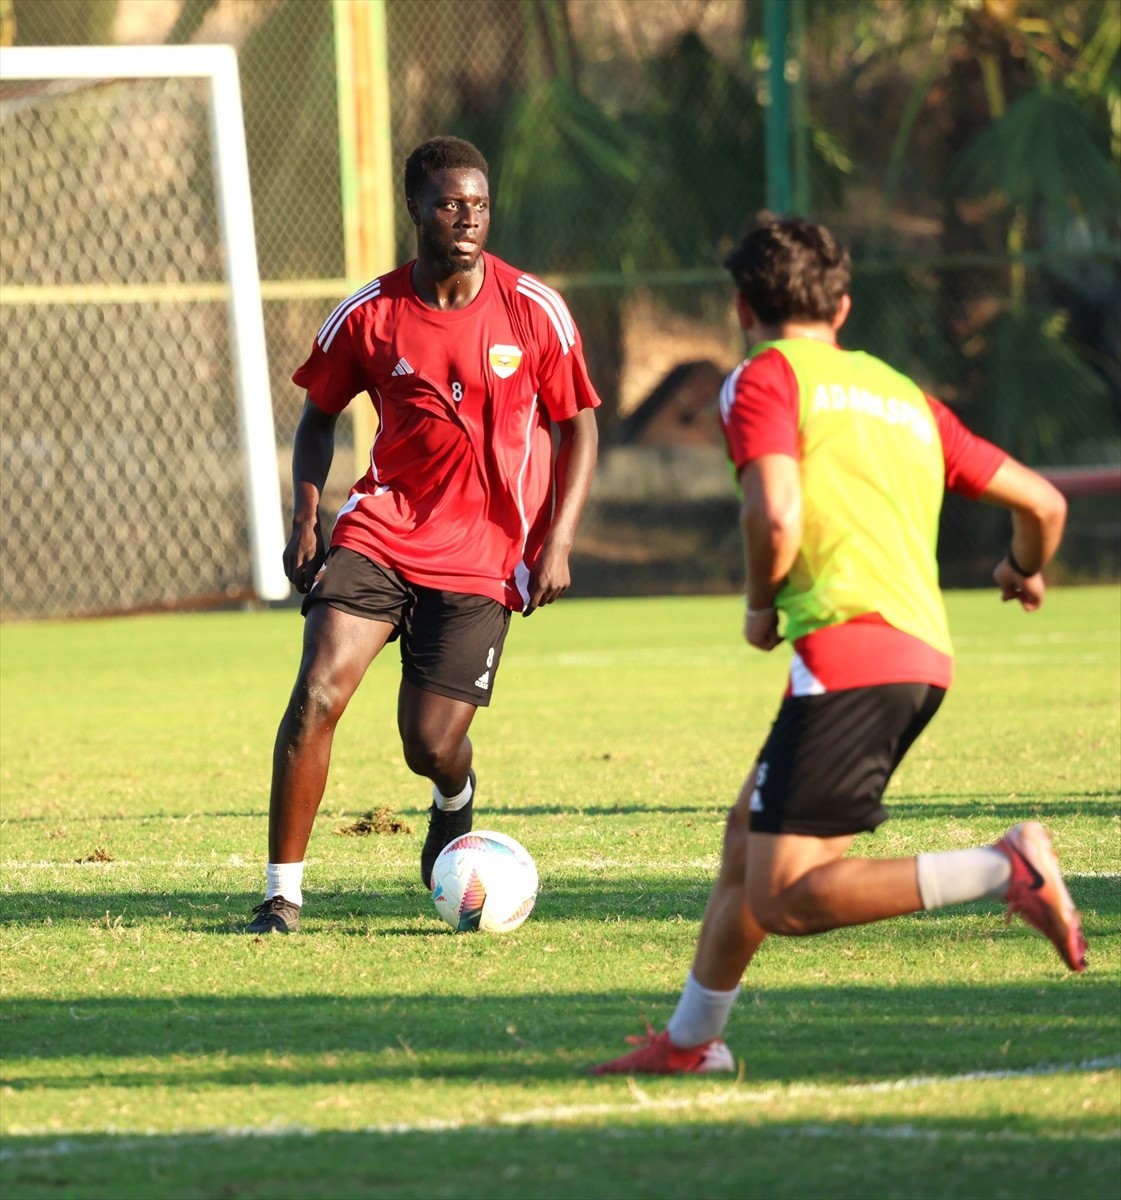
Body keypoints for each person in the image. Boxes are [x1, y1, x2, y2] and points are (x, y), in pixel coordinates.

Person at [591, 213, 1084, 1074]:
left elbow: (773, 512)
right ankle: (689, 1042)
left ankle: (1000, 868)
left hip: (850, 653)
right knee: (746, 839)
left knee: (784, 898)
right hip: (915, 652)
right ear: (843, 307)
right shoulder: (902, 396)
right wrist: (1020, 568)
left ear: (742, 308)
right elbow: (1042, 504)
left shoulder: (762, 379)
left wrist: (758, 605)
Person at [245, 136, 600, 934]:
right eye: (449, 203)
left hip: (483, 552)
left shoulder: (532, 308)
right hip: (381, 530)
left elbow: (579, 429)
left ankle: (455, 797)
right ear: (416, 209)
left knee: (429, 742)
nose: (467, 218)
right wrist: (307, 515)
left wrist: (558, 542)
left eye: (477, 204)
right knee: (317, 693)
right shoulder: (369, 313)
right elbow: (318, 417)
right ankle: (280, 895)